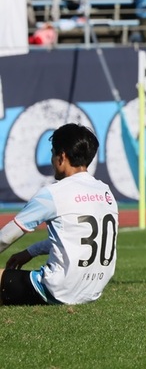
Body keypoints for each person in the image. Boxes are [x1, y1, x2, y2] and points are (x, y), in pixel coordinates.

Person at [0, 123, 117, 306]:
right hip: (92, 290)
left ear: (61, 156)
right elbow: (74, 238)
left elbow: (6, 237)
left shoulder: (53, 194)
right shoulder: (105, 192)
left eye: (53, 153)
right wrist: (30, 252)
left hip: (59, 290)